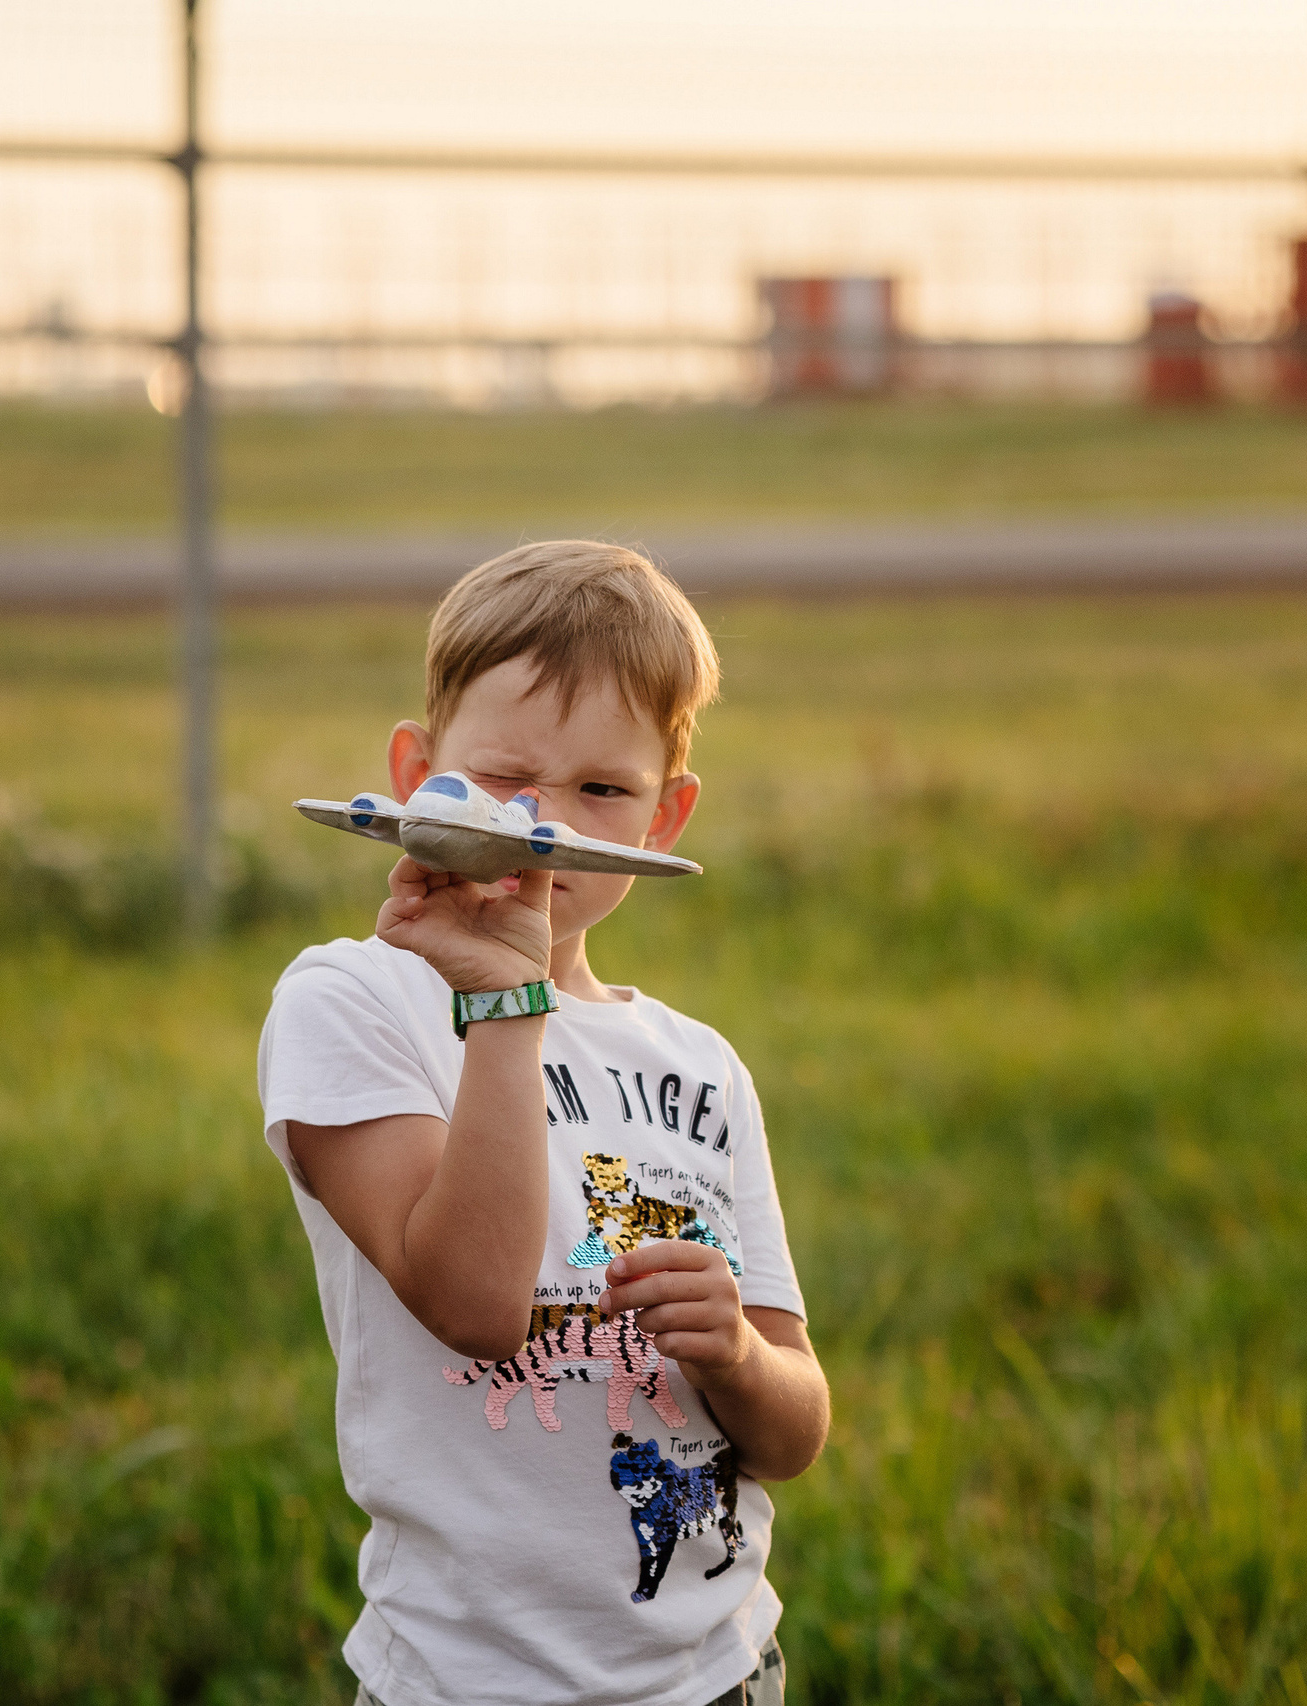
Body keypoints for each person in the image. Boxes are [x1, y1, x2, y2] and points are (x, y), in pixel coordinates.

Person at [258, 541, 830, 1706]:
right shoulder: (351, 999)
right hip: (467, 1680)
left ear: (664, 816)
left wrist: (733, 1351)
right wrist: (505, 1002)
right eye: (504, 778)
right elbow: (476, 1306)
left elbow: (793, 1432)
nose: (544, 826)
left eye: (601, 790)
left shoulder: (702, 1067)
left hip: (720, 1673)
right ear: (417, 775)